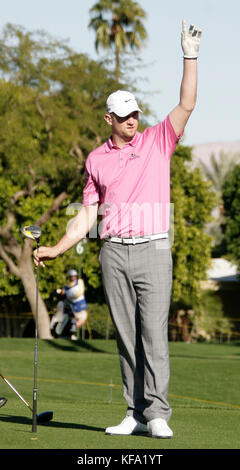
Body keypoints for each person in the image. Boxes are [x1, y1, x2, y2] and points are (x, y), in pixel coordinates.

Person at [33, 20, 202, 438]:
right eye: (124, 116)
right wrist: (57, 246)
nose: (132, 121)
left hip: (154, 250)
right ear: (109, 117)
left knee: (153, 336)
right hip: (113, 252)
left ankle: (157, 413)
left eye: (135, 114)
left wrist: (190, 55)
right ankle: (134, 411)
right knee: (127, 337)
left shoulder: (158, 141)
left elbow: (186, 104)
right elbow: (87, 213)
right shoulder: (96, 160)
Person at [50, 269, 88, 340]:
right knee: (69, 321)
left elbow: (79, 293)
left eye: (74, 276)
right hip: (71, 308)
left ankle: (68, 333)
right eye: (71, 276)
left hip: (80, 307)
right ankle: (68, 334)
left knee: (81, 320)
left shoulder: (79, 282)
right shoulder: (66, 287)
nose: (73, 278)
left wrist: (67, 293)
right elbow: (63, 297)